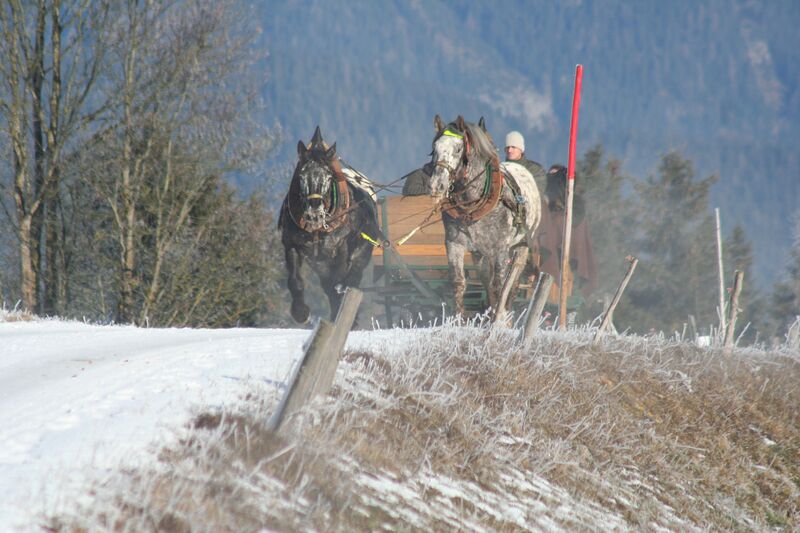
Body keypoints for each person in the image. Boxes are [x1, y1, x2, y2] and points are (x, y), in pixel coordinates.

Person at [536, 164, 597, 307]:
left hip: (566, 249)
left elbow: (574, 221)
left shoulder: (575, 201)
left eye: (555, 177)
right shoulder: (545, 201)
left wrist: (557, 217)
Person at [504, 131, 547, 195]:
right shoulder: (501, 169)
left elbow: (537, 194)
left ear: (521, 149)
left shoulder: (535, 170)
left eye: (513, 147)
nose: (509, 150)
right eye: (507, 147)